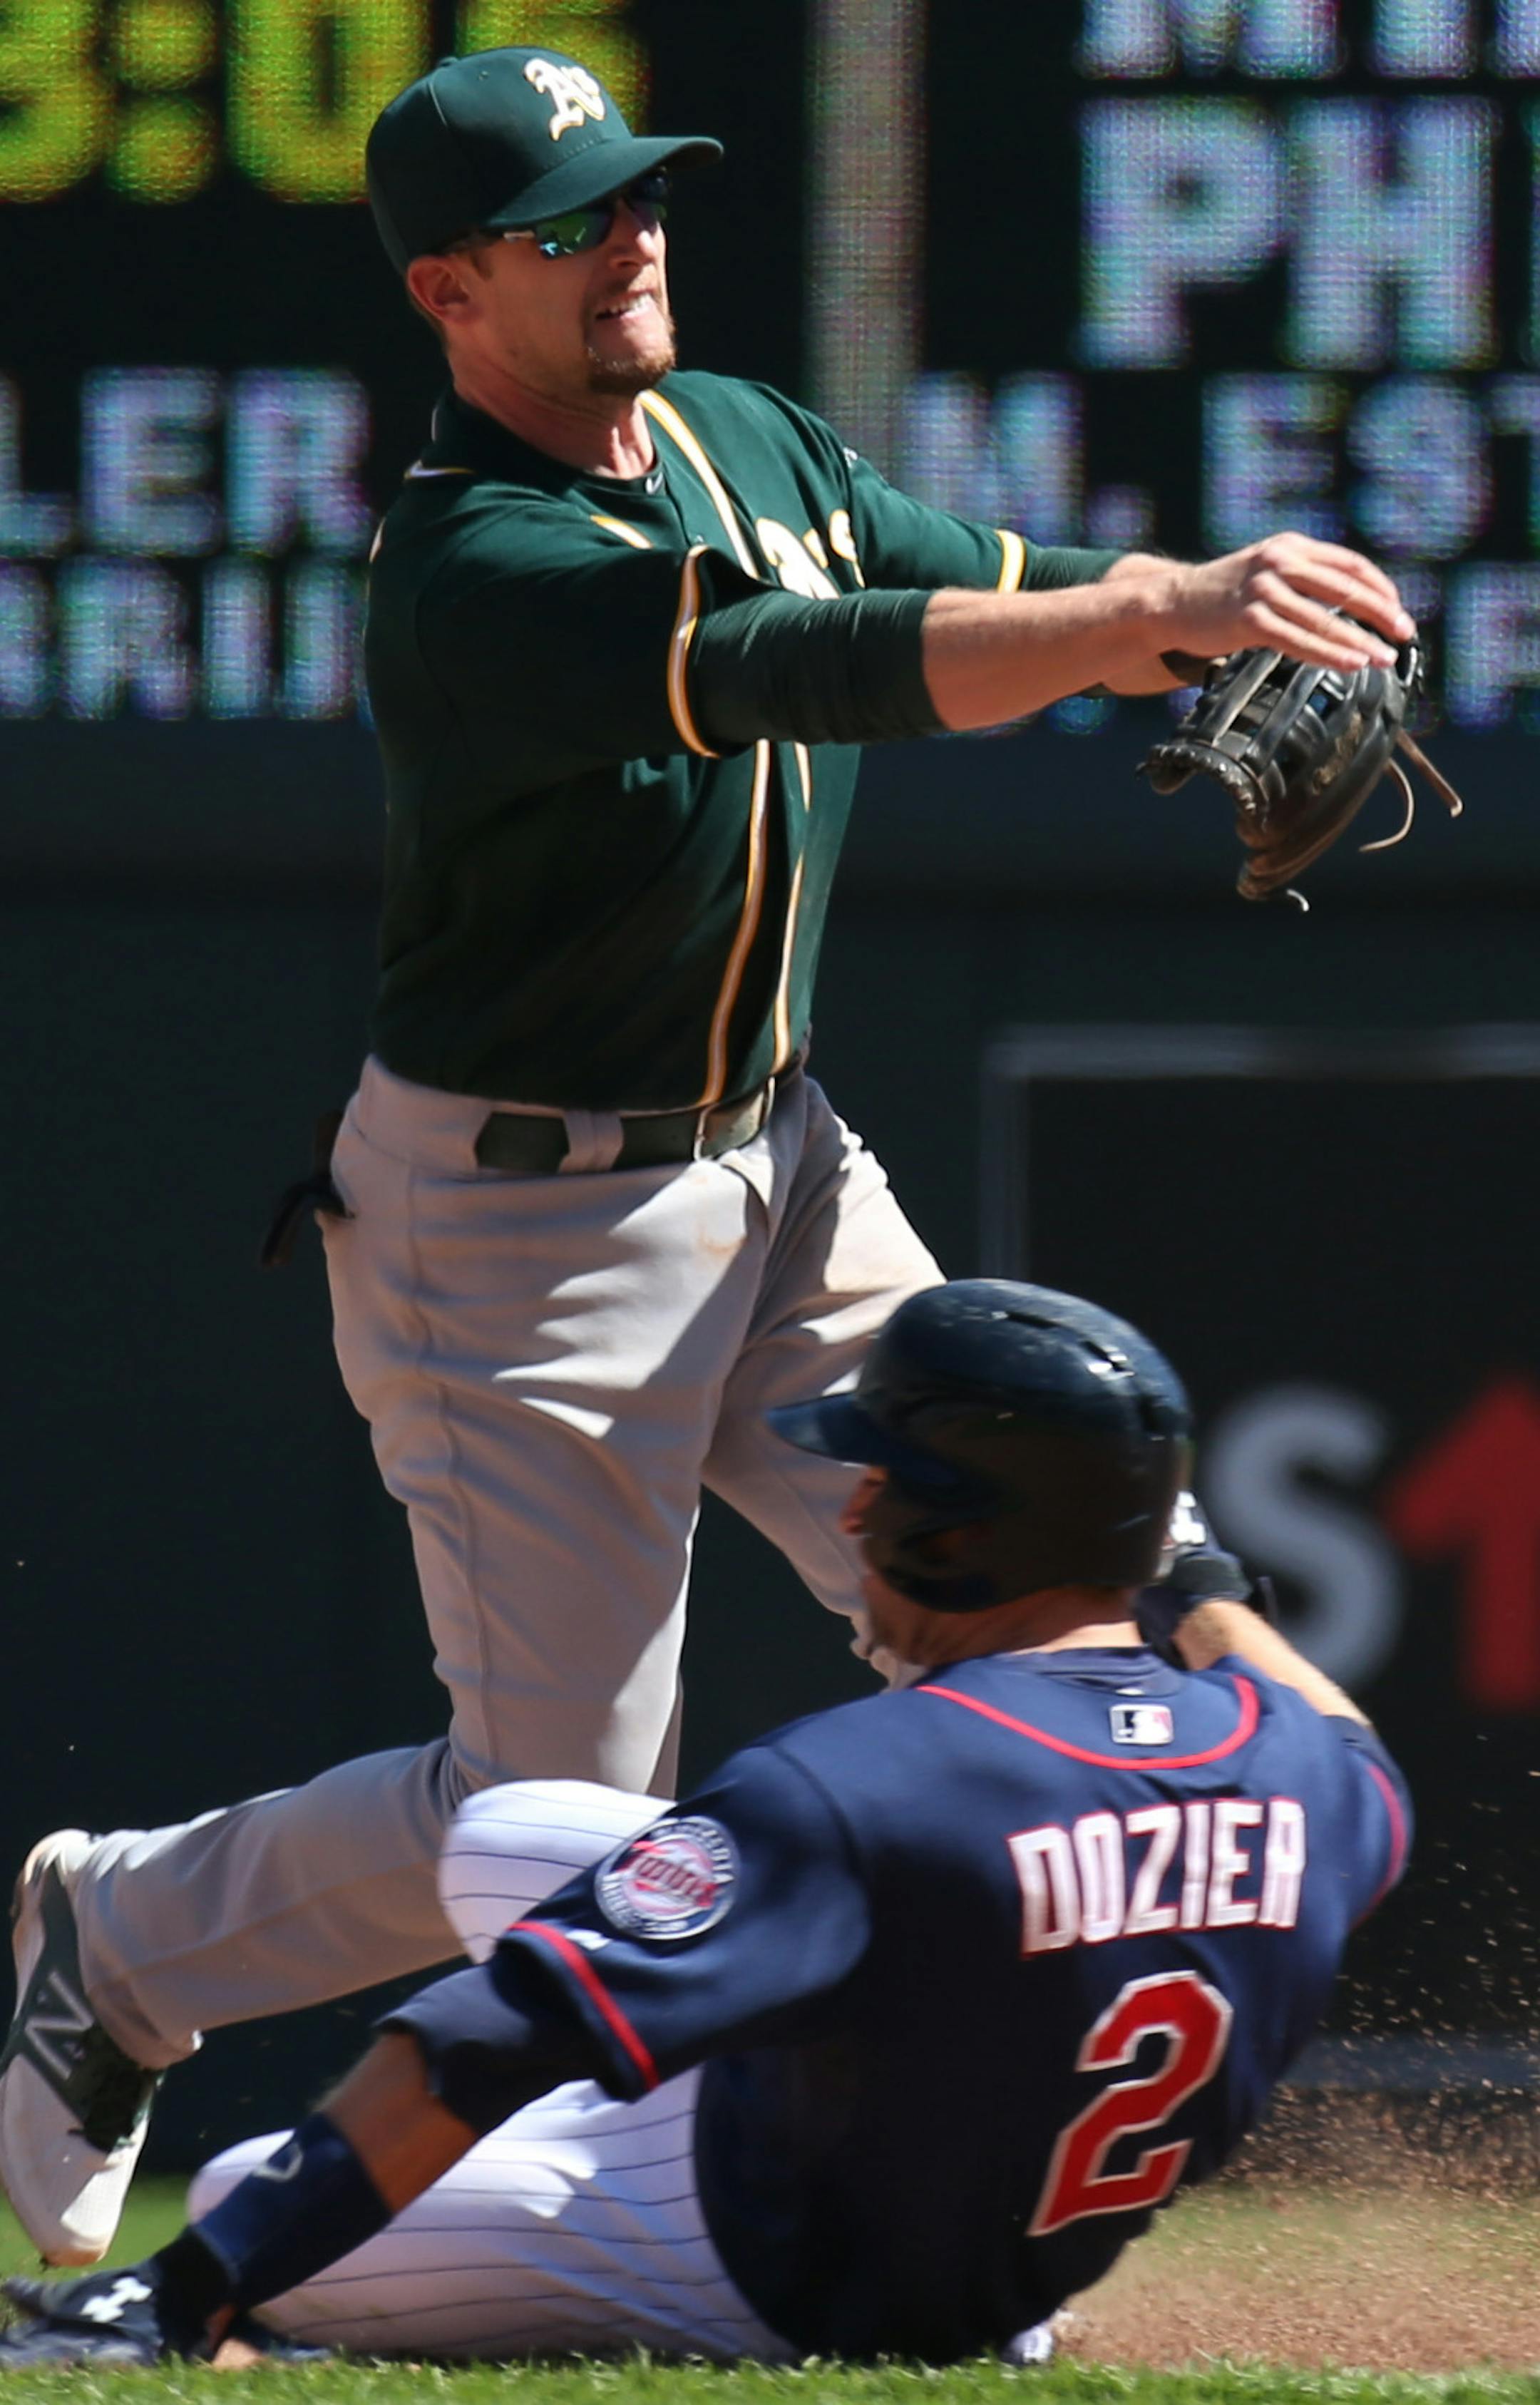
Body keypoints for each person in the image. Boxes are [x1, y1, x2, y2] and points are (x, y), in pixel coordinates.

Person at [0, 44, 1417, 2270]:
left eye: (642, 197)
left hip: (780, 1143)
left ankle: (979, 2156)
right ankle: (126, 1937)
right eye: (571, 223)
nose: (633, 242)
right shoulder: (469, 563)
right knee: (559, 1822)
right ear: (450, 290)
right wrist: (1157, 615)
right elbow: (815, 662)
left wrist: (1177, 603)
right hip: (525, 1224)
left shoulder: (744, 432)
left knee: (1070, 1575)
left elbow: (988, 571)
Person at [0, 1283, 1411, 2369]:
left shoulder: (874, 1779)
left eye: (881, 1482)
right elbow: (1334, 1729)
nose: (852, 1509)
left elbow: (486, 2040)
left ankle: (312, 2265)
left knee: (244, 2194)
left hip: (766, 2262)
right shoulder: (1309, 1774)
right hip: (946, 2157)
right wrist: (1198, 1581)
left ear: (961, 1536)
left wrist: (185, 2287)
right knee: (507, 1831)